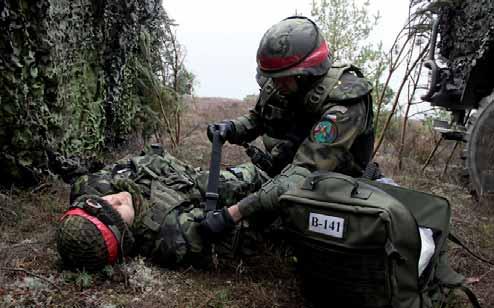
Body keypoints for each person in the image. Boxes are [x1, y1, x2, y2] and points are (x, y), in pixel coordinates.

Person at [202, 16, 375, 235]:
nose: (275, 85)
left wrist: (233, 214)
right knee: (212, 184)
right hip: (279, 174)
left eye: (282, 79)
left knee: (252, 232)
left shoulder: (345, 103)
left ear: (307, 74)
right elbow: (258, 118)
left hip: (324, 191)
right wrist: (231, 128)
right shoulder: (283, 82)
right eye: (273, 78)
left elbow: (303, 173)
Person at [56, 146, 264, 271]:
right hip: (199, 185)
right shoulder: (172, 234)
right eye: (115, 212)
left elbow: (86, 181)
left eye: (104, 201)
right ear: (124, 234)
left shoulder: (89, 187)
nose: (115, 200)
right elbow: (239, 230)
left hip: (172, 168)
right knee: (249, 177)